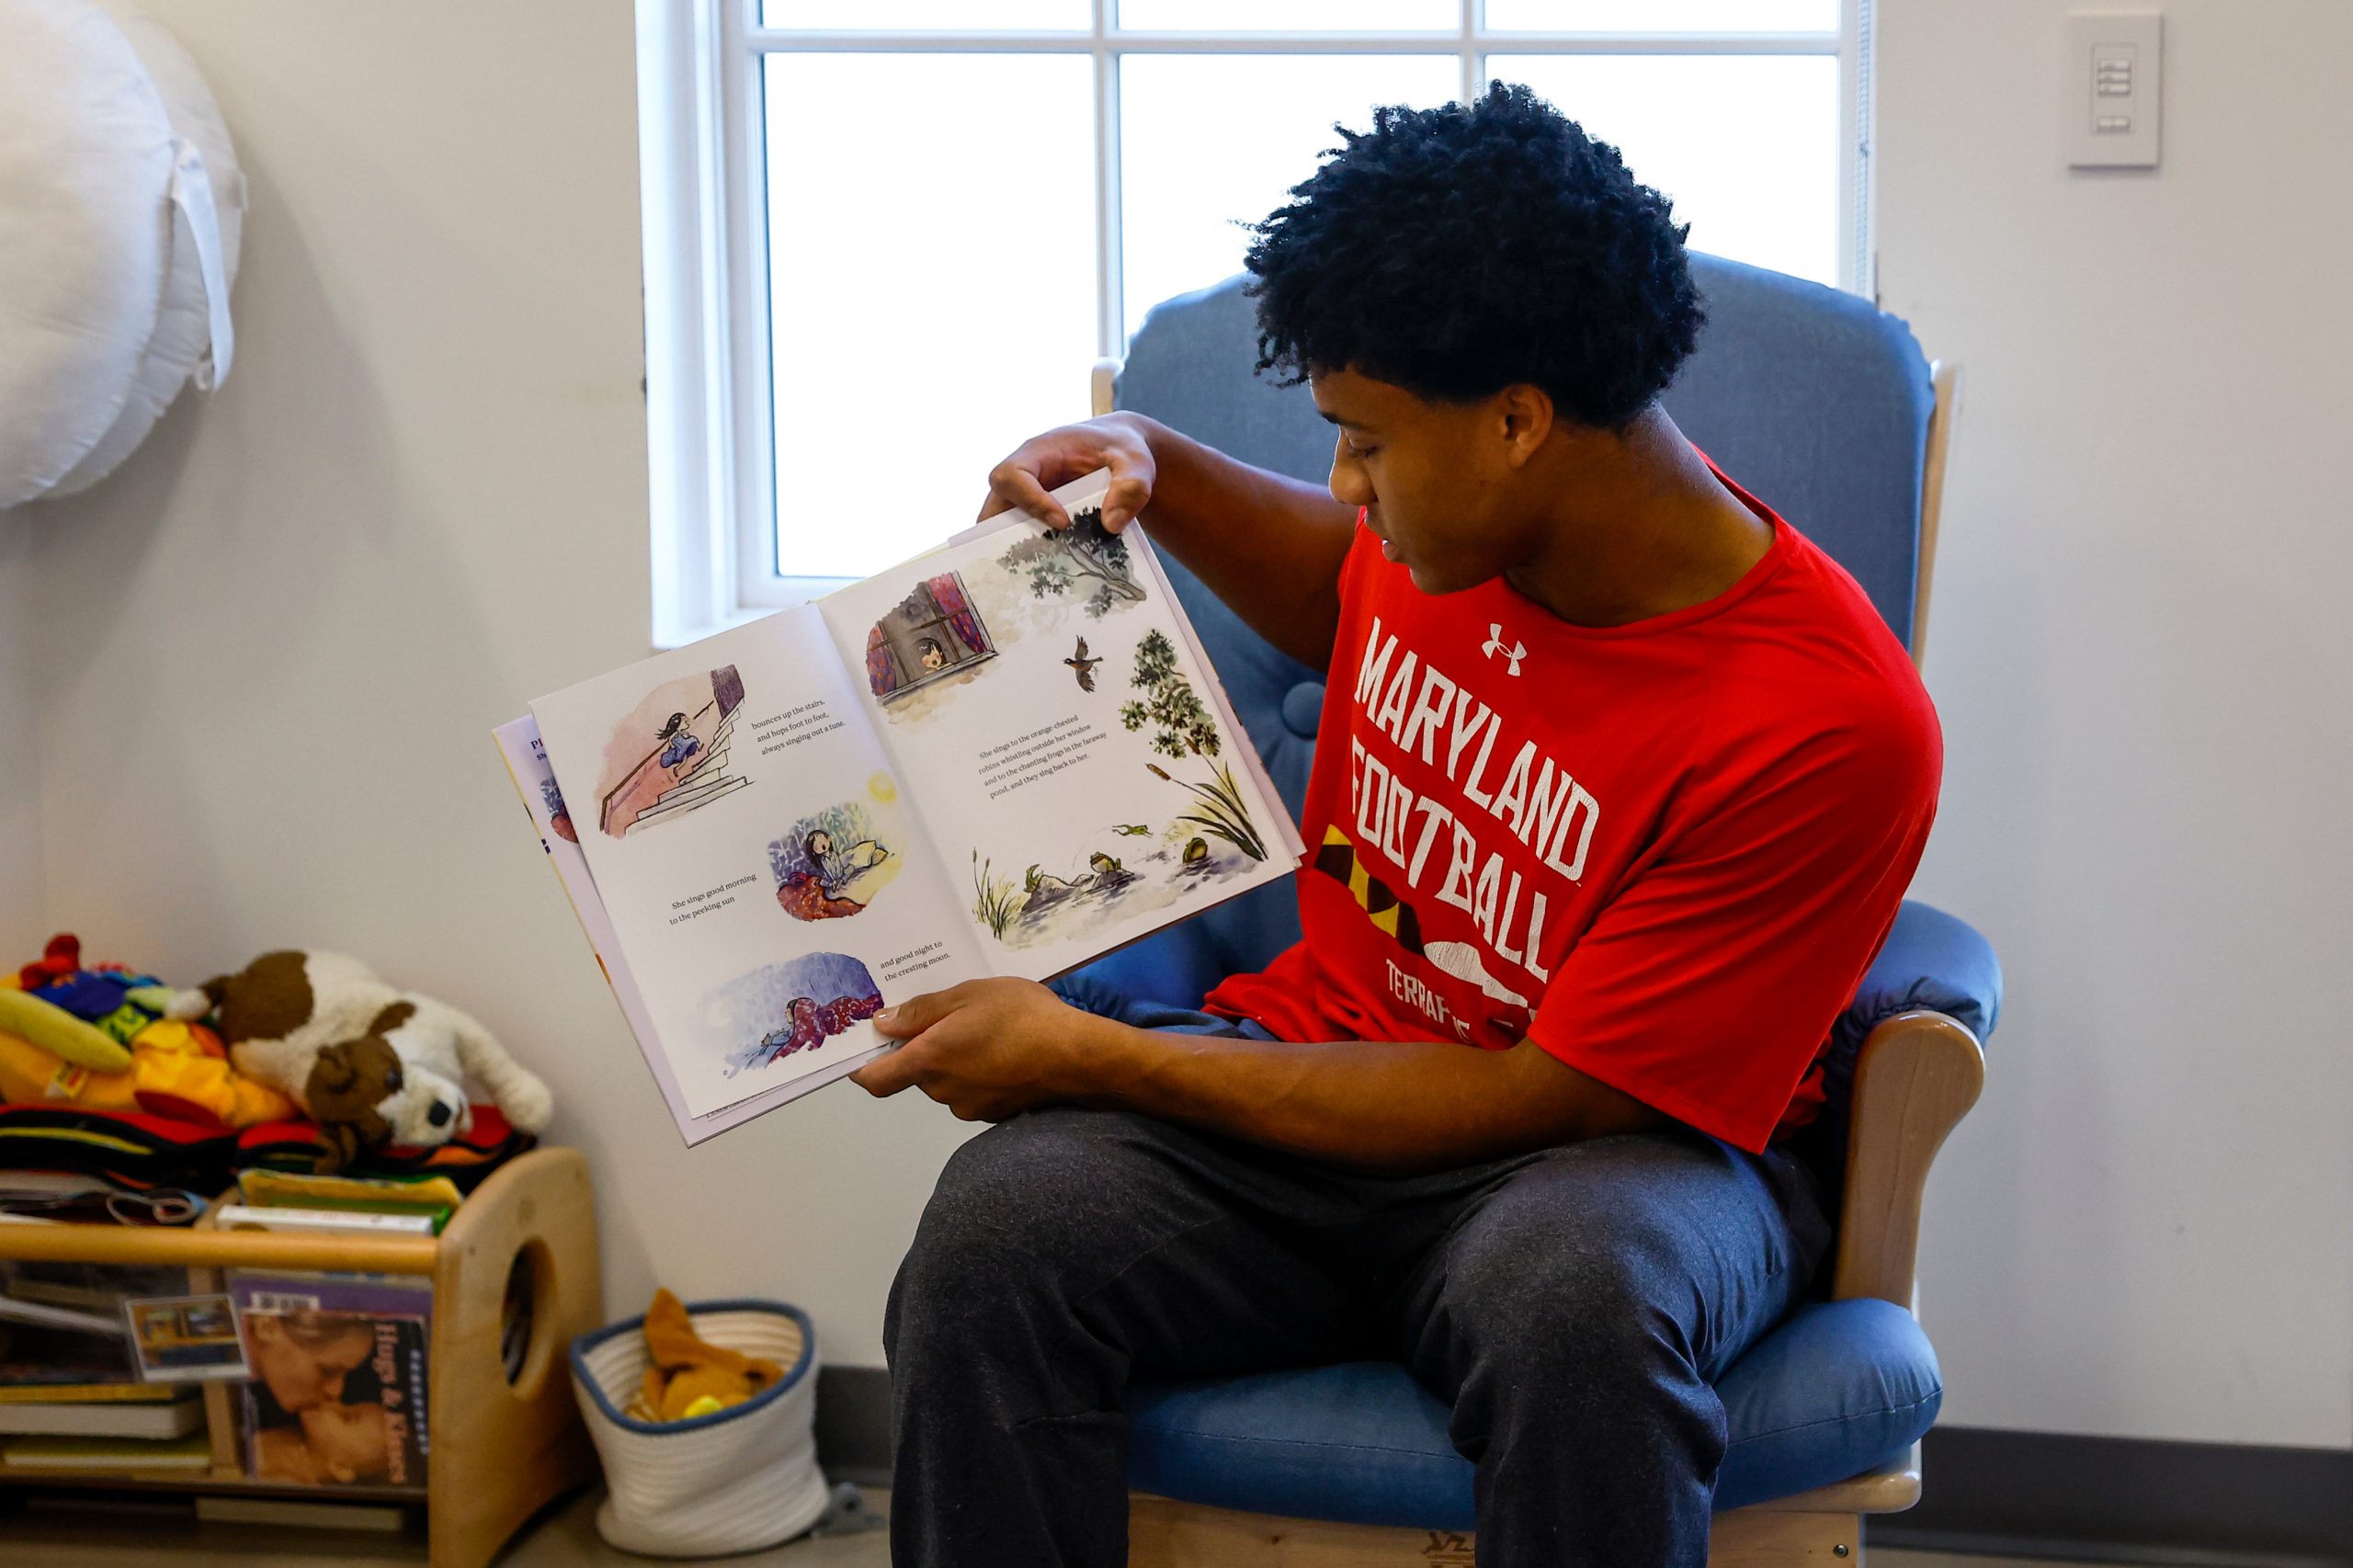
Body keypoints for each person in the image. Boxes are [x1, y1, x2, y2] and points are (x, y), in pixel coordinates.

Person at [853, 82, 1940, 1567]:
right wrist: (1146, 458)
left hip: (1598, 1159)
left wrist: (1097, 1056)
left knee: (1580, 1306)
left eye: (1364, 440)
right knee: (994, 1242)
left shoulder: (1829, 722)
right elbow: (1336, 592)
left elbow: (1551, 1096)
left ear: (1516, 422)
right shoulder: (1455, 532)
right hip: (1308, 1072)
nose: (1344, 483)